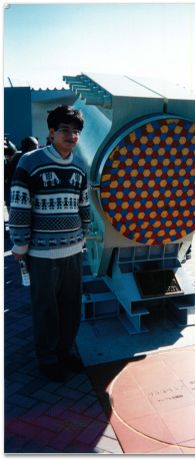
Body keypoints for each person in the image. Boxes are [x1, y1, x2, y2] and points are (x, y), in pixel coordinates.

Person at [9, 105, 91, 382]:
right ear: (52, 132)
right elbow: (20, 205)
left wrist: (85, 235)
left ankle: (66, 352)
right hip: (41, 253)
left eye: (76, 131)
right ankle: (48, 359)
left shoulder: (80, 166)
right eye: (65, 130)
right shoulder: (30, 162)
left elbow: (84, 204)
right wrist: (19, 245)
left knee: (71, 307)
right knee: (46, 309)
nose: (71, 136)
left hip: (73, 251)